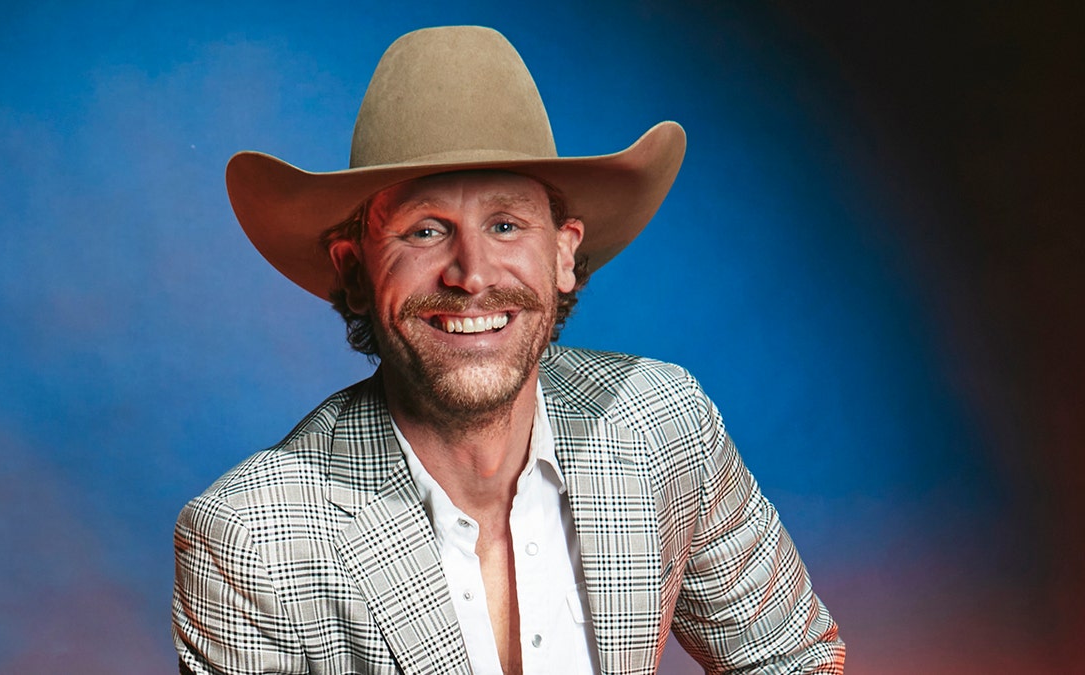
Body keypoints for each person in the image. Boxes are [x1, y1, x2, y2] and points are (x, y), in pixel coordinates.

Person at [173, 25, 844, 675]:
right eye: (426, 229)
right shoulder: (251, 540)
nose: (472, 273)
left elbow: (788, 657)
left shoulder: (664, 425)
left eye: (505, 223)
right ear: (355, 269)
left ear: (562, 252)